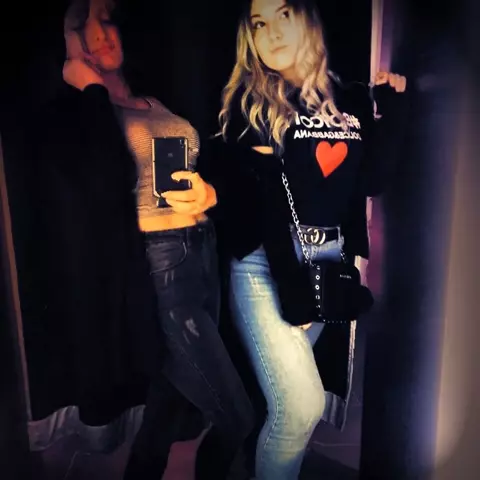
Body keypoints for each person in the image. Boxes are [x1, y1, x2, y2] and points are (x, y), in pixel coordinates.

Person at [204, 0, 408, 478]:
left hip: (324, 263)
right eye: (260, 23)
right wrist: (293, 288)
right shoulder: (251, 103)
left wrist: (394, 109)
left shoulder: (349, 99)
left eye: (284, 15)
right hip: (265, 266)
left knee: (283, 407)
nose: (272, 33)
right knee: (300, 407)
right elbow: (267, 207)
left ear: (309, 20)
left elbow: (370, 181)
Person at [62, 0, 254, 478]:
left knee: (165, 409)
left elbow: (200, 164)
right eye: (81, 26)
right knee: (238, 417)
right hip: (163, 267)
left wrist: (209, 194)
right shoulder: (83, 112)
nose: (98, 34)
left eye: (106, 18)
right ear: (67, 41)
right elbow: (106, 182)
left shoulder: (152, 101)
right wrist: (91, 90)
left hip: (203, 250)